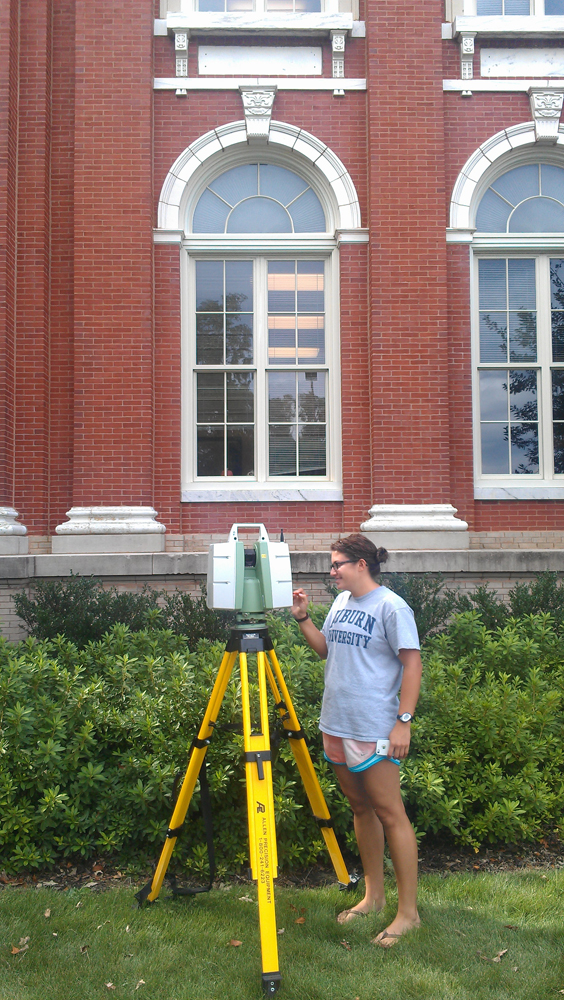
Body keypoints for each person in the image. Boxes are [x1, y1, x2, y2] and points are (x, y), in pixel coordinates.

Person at [291, 533, 422, 947]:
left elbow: (412, 663)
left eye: (337, 565)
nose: (332, 572)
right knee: (361, 809)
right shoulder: (341, 602)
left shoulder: (391, 606)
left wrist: (403, 721)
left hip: (374, 728)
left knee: (389, 811)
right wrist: (303, 619)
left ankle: (408, 914)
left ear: (361, 564)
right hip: (337, 723)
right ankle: (373, 896)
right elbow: (326, 650)